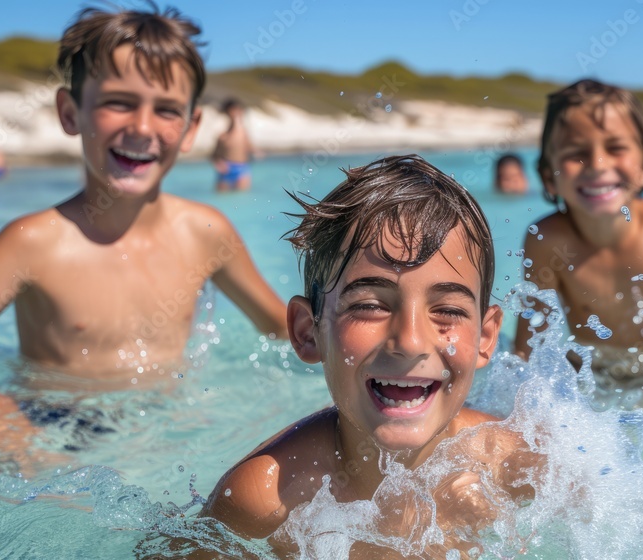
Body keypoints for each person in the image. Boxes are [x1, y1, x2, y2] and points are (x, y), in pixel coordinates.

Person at [0, 5, 287, 473]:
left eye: (166, 110)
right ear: (70, 112)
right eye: (118, 102)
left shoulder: (206, 233)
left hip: (169, 429)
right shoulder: (33, 243)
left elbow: (282, 330)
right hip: (51, 430)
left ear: (190, 130)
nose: (142, 128)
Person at [197, 155, 542, 556]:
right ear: (308, 332)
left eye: (447, 310)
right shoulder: (266, 498)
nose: (411, 341)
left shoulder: (511, 465)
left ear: (485, 337)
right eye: (370, 305)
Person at [513, 79, 643, 385]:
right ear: (549, 178)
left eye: (616, 148)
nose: (598, 165)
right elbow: (528, 351)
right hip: (589, 372)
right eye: (576, 152)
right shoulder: (547, 240)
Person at [211, 97, 257, 192]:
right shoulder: (222, 137)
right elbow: (214, 156)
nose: (236, 113)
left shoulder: (243, 133)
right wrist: (219, 164)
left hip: (241, 169)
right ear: (228, 112)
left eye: (238, 110)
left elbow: (250, 148)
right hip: (226, 169)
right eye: (234, 110)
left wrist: (256, 152)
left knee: (242, 199)